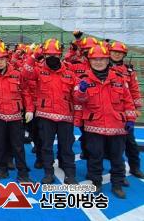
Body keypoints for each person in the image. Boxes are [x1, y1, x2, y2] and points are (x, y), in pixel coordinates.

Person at [74, 43, 136, 198]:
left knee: (117, 158)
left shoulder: (120, 79)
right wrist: (81, 91)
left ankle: (117, 184)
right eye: (95, 59)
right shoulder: (83, 79)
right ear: (89, 61)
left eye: (102, 59)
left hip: (117, 126)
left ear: (108, 60)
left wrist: (130, 119)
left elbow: (128, 101)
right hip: (94, 126)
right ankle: (96, 182)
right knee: (95, 157)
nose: (98, 62)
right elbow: (78, 100)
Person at [23, 38, 79, 184]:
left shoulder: (69, 73)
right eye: (48, 55)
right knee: (46, 147)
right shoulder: (39, 70)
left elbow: (76, 96)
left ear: (60, 55)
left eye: (55, 55)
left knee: (66, 147)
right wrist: (34, 56)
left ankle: (70, 174)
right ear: (44, 55)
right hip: (45, 116)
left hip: (65, 117)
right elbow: (25, 73)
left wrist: (81, 92)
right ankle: (48, 172)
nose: (52, 57)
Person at [0, 43, 32, 182]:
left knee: (18, 146)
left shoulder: (17, 74)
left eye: (2, 59)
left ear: (7, 59)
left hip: (15, 116)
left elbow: (26, 92)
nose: (0, 62)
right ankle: (2, 170)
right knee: (0, 144)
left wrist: (29, 110)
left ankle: (23, 173)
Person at [109, 41, 144, 180]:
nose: (117, 54)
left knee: (131, 143)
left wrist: (137, 108)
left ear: (124, 55)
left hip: (125, 112)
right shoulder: (103, 68)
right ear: (109, 53)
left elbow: (134, 90)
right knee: (114, 146)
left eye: (120, 53)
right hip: (109, 112)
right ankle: (119, 174)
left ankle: (135, 168)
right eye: (114, 52)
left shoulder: (129, 71)